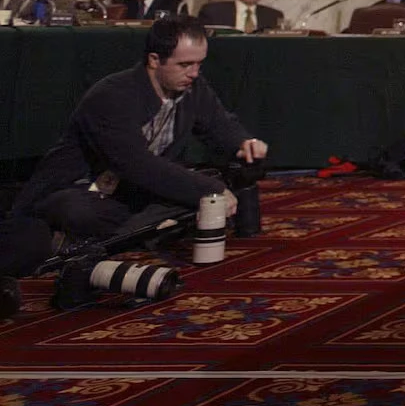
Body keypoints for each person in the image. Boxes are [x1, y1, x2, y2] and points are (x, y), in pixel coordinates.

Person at [0, 17, 267, 317]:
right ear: (154, 59)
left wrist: (243, 141)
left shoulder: (192, 87)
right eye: (185, 65)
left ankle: (119, 233)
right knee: (78, 212)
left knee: (189, 194)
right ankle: (73, 242)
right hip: (81, 189)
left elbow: (218, 123)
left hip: (131, 192)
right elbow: (137, 166)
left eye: (199, 64)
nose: (194, 73)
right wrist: (210, 190)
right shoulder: (112, 95)